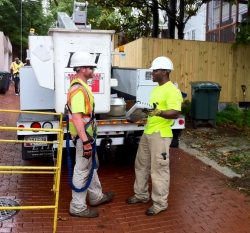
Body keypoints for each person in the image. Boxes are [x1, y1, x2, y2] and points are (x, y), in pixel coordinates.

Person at [126, 56, 183, 216]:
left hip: (161, 135)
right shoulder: (156, 89)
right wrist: (141, 114)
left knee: (159, 170)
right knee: (141, 165)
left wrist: (158, 112)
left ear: (164, 72)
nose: (152, 72)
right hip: (149, 131)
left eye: (155, 70)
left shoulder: (172, 90)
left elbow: (175, 113)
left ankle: (160, 203)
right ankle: (141, 195)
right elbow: (155, 111)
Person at [67, 51, 114, 218]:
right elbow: (77, 119)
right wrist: (86, 142)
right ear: (82, 69)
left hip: (86, 136)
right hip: (84, 137)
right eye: (91, 67)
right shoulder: (79, 90)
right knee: (82, 169)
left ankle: (96, 196)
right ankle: (77, 207)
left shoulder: (81, 86)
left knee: (91, 166)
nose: (94, 69)